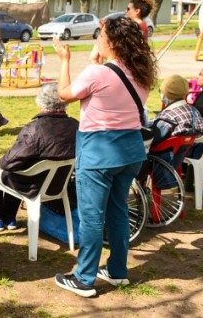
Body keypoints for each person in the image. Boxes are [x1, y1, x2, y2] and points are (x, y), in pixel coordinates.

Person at [52, 16, 158, 298]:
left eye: (100, 35)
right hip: (131, 151)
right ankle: (117, 270)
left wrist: (65, 60)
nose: (96, 38)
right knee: (118, 210)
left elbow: (64, 95)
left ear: (111, 42)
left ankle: (84, 278)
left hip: (99, 152)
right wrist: (95, 60)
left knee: (92, 217)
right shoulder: (140, 71)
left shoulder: (96, 73)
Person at [0, 83, 79, 231]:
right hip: (60, 183)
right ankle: (9, 219)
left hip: (33, 185)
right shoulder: (75, 125)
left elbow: (9, 162)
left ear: (40, 101)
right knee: (18, 168)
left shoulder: (35, 128)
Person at [151, 75, 203, 147]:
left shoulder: (167, 117)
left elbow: (153, 140)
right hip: (187, 150)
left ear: (165, 94)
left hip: (164, 155)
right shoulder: (194, 111)